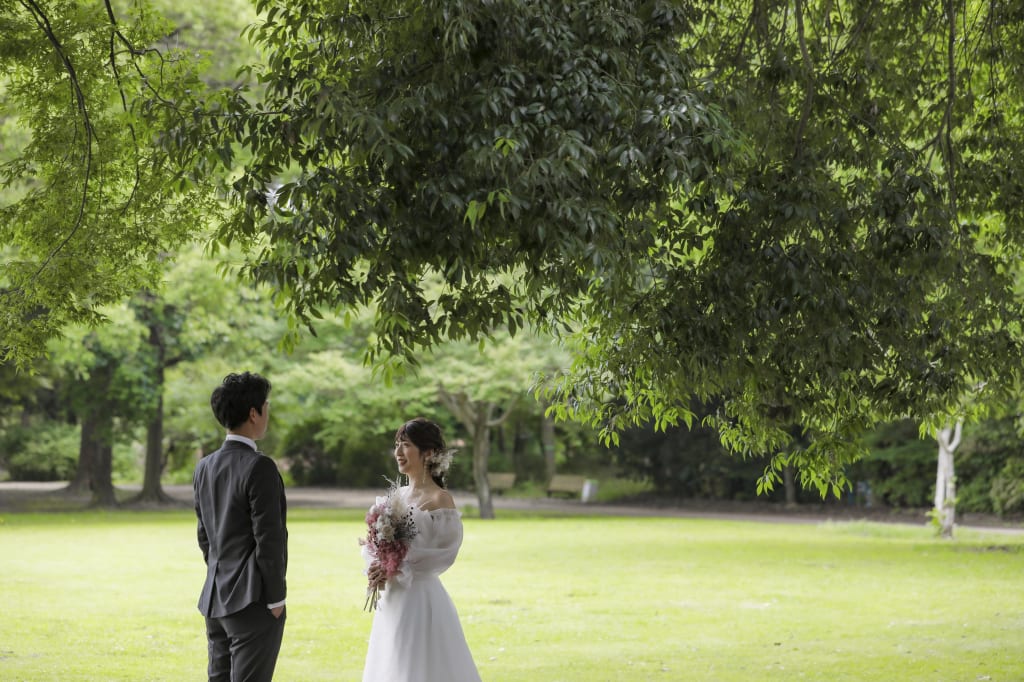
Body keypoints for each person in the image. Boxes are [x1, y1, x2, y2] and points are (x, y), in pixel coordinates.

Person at [362, 417, 481, 682]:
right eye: (397, 445)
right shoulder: (397, 496)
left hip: (419, 599)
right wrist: (376, 565)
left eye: (405, 445)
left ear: (428, 453)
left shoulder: (441, 500)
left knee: (418, 666)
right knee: (392, 661)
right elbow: (378, 545)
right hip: (392, 598)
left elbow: (443, 555)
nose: (398, 453)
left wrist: (394, 566)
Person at [193, 372, 288, 682]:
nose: (267, 413)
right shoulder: (259, 466)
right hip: (253, 602)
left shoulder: (204, 467)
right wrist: (275, 599)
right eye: (266, 406)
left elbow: (204, 536)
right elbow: (270, 538)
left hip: (215, 598)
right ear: (253, 413)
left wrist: (221, 574)